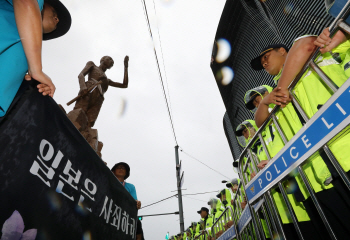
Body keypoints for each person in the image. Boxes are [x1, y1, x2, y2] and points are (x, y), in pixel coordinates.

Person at [250, 42, 350, 239]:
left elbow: (305, 44)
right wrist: (265, 101)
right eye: (261, 61)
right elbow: (259, 122)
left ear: (283, 51)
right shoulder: (277, 95)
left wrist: (282, 87)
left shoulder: (317, 54)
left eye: (266, 55)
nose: (264, 62)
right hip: (319, 173)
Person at [0, 0, 71, 117]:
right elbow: (26, 2)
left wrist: (32, 87)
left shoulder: (26, 60)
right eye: (54, 12)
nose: (57, 19)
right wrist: (36, 70)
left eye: (57, 23)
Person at [111, 162, 143, 239]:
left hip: (125, 215)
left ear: (126, 173)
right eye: (118, 167)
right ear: (113, 171)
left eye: (123, 168)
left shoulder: (130, 186)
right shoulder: (109, 181)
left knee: (137, 223)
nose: (121, 169)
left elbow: (134, 201)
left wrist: (137, 203)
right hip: (110, 211)